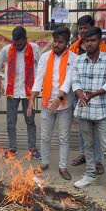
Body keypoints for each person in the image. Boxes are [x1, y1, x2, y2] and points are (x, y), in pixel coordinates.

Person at [72, 27, 106, 202]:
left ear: (99, 42)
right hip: (84, 109)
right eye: (86, 41)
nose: (89, 44)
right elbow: (75, 81)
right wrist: (80, 94)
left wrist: (93, 95)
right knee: (88, 146)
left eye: (93, 40)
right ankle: (90, 174)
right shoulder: (79, 60)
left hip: (102, 110)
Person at [28, 27, 76, 180]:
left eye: (60, 42)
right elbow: (39, 78)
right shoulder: (45, 57)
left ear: (67, 43)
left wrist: (59, 98)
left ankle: (62, 167)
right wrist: (31, 99)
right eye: (54, 41)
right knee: (45, 136)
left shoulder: (74, 58)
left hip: (64, 104)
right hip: (48, 103)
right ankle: (44, 162)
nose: (56, 44)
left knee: (63, 137)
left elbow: (69, 80)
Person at [0, 26, 41, 159]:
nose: (18, 47)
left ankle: (32, 148)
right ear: (12, 40)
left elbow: (42, 66)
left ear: (26, 39)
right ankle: (12, 148)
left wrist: (38, 86)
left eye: (21, 44)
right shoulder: (7, 49)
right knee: (10, 121)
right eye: (16, 44)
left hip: (29, 92)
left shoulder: (34, 48)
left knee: (30, 120)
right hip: (12, 92)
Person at [69, 15, 104, 174]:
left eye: (85, 28)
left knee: (95, 128)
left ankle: (96, 161)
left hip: (96, 94)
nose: (83, 31)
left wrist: (96, 93)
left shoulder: (101, 48)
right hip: (80, 93)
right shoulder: (75, 47)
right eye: (81, 28)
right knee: (83, 127)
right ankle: (84, 154)